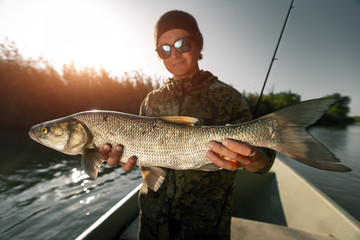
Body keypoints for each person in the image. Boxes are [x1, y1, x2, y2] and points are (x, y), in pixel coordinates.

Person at [98, 10, 275, 240]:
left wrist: (252, 159)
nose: (174, 54)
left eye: (183, 44)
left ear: (198, 45)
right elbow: (146, 165)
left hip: (205, 227)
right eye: (164, 49)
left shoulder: (229, 96)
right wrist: (119, 156)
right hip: (152, 223)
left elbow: (265, 161)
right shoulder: (151, 101)